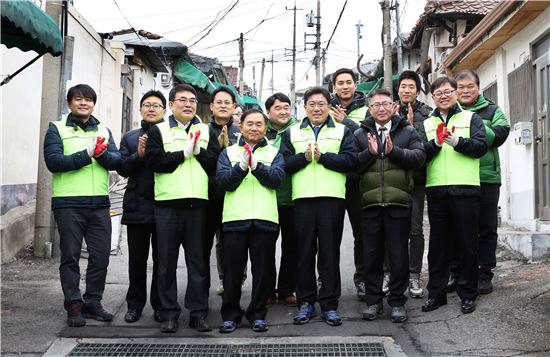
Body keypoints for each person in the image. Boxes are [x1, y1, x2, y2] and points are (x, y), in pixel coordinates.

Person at [144, 83, 220, 333]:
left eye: (192, 101)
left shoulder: (206, 130)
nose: (188, 104)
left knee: (197, 263)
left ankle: (197, 313)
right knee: (165, 263)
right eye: (183, 100)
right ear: (172, 104)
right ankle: (168, 313)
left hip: (198, 205)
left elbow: (215, 165)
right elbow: (155, 163)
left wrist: (198, 151)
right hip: (167, 205)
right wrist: (183, 153)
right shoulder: (159, 130)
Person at [44, 84, 122, 327]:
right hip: (68, 204)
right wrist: (86, 154)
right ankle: (74, 305)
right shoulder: (56, 129)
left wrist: (100, 154)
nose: (83, 103)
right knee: (70, 257)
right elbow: (53, 162)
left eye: (88, 100)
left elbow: (116, 161)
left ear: (93, 104)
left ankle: (93, 302)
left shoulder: (104, 130)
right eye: (78, 99)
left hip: (99, 204)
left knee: (100, 257)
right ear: (69, 103)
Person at [280, 87, 357, 327]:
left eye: (321, 104)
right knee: (303, 253)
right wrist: (303, 157)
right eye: (311, 104)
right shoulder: (292, 132)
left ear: (329, 106)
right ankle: (306, 302)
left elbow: (350, 160)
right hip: (302, 200)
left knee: (329, 253)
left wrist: (323, 157)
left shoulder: (343, 131)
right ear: (304, 108)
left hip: (332, 199)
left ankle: (330, 304)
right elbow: (283, 164)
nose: (316, 108)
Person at [355, 88, 425, 323]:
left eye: (385, 104)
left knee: (398, 256)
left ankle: (397, 301)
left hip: (398, 202)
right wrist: (370, 153)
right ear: (369, 108)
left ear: (394, 106)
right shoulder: (359, 134)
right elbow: (351, 166)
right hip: (370, 203)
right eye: (376, 105)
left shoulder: (407, 130)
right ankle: (373, 301)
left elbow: (419, 157)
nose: (381, 109)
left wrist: (394, 152)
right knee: (372, 255)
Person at [420, 77, 487, 314]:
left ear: (455, 93)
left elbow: (481, 147)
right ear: (432, 97)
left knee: (467, 245)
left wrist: (457, 141)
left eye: (448, 91)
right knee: (438, 247)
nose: (444, 96)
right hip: (437, 190)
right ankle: (436, 295)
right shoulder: (427, 123)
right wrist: (435, 144)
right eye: (438, 93)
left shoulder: (471, 118)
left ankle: (468, 294)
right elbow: (420, 155)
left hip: (466, 189)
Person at [216, 109, 285, 333]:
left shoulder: (275, 152)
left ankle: (257, 313)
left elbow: (277, 180)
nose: (254, 128)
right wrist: (241, 167)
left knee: (262, 272)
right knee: (233, 271)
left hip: (265, 219)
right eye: (249, 124)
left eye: (259, 124)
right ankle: (231, 314)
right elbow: (224, 182)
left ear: (266, 128)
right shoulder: (228, 152)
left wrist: (257, 167)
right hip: (236, 218)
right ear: (241, 126)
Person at [455, 69, 510, 295]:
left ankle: (485, 272)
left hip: (486, 177)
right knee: (460, 228)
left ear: (479, 87)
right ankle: (461, 272)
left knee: (486, 228)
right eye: (461, 87)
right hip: (458, 177)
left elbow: (499, 135)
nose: (466, 91)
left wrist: (473, 123)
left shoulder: (492, 109)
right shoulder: (448, 111)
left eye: (470, 86)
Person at [117, 90, 166, 323]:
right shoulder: (129, 137)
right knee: (136, 260)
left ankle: (160, 305)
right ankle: (134, 305)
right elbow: (122, 169)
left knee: (162, 260)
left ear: (164, 110)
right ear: (140, 110)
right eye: (147, 105)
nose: (151, 109)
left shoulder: (170, 135)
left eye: (157, 105)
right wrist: (138, 155)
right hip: (136, 206)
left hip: (164, 205)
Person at [395, 70, 433, 298]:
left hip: (417, 180)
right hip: (392, 179)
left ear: (417, 91)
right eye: (403, 86)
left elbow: (429, 145)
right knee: (392, 228)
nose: (406, 90)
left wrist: (411, 127)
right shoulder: (388, 111)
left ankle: (414, 275)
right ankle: (392, 274)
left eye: (411, 87)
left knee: (415, 229)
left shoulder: (428, 114)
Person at [329, 68, 366, 300]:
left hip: (357, 180)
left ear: (355, 84)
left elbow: (368, 135)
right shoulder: (325, 108)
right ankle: (327, 281)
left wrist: (348, 121)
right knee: (329, 236)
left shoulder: (367, 108)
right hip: (332, 181)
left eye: (348, 82)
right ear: (334, 86)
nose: (345, 86)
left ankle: (362, 279)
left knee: (362, 235)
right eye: (340, 82)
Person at [205, 87, 241, 296]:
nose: (223, 106)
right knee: (212, 243)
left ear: (234, 107)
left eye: (228, 102)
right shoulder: (201, 130)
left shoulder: (241, 131)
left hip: (235, 195)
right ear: (211, 106)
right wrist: (220, 150)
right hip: (208, 196)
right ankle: (215, 281)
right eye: (219, 102)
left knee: (232, 240)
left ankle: (234, 280)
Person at [265, 93, 298, 306]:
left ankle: (287, 289)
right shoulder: (260, 131)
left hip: (293, 198)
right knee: (265, 247)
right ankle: (266, 290)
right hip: (267, 199)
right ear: (269, 112)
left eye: (287, 107)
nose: (284, 111)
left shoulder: (299, 131)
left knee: (292, 247)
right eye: (278, 108)